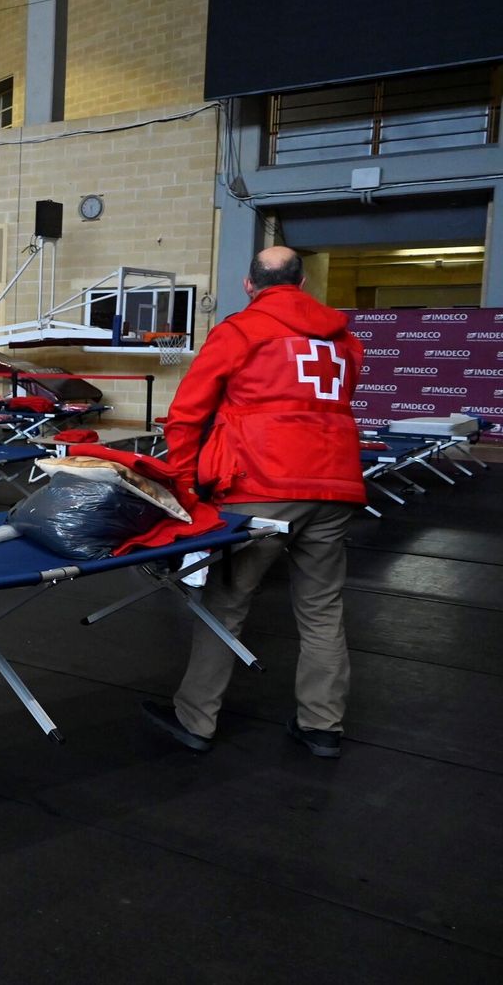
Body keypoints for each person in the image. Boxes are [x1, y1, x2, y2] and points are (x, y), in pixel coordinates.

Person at [143, 246, 365, 759]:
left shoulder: (240, 331)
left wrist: (183, 485)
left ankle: (195, 718)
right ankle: (322, 726)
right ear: (303, 282)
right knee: (322, 609)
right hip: (335, 484)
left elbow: (186, 413)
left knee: (225, 602)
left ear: (249, 284)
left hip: (261, 485)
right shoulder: (344, 341)